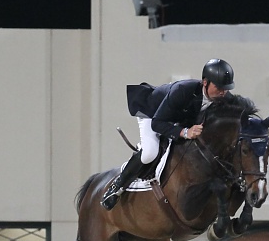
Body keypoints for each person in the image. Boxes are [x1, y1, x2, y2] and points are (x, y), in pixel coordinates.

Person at [101, 58, 236, 210]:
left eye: (226, 88)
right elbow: (157, 124)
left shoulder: (224, 97)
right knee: (149, 153)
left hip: (177, 118)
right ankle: (117, 186)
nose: (223, 92)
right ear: (205, 82)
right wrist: (185, 132)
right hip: (153, 114)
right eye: (219, 87)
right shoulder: (182, 90)